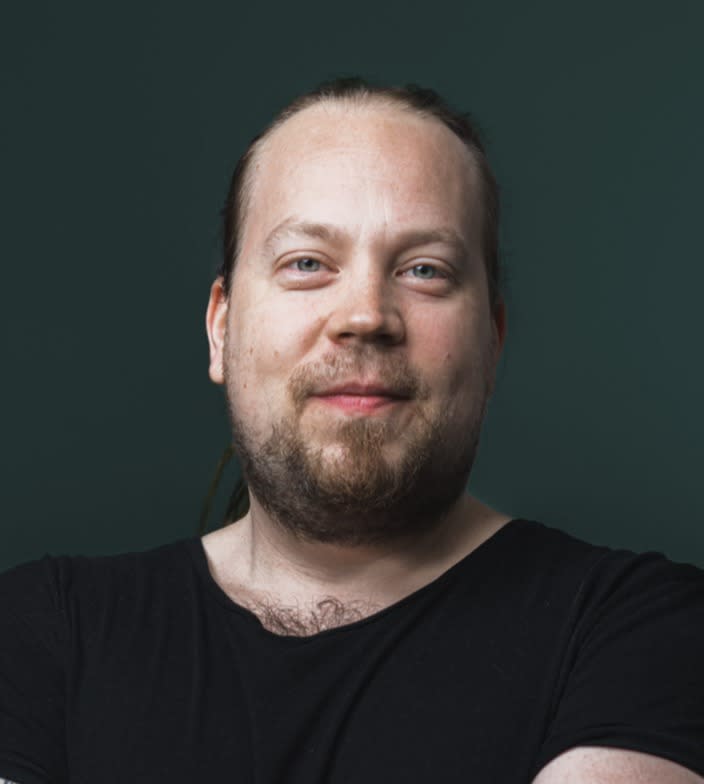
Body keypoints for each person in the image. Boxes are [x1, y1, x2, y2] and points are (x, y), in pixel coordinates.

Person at [1, 78, 703, 784]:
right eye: (307, 263)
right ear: (222, 327)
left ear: (492, 341)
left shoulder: (637, 630)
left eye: (424, 269)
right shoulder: (40, 631)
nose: (365, 315)